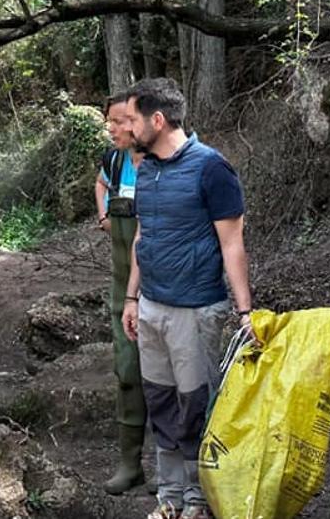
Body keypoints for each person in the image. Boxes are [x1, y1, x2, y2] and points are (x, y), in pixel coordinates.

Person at [120, 79, 256, 519]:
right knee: (160, 401)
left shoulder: (211, 168)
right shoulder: (146, 169)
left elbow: (233, 244)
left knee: (195, 405)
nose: (128, 127)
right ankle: (169, 499)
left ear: (157, 120)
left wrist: (245, 312)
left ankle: (198, 501)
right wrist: (131, 297)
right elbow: (144, 236)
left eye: (134, 119)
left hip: (196, 309)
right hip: (153, 306)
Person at [94, 92, 151, 494]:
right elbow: (99, 184)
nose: (111, 129)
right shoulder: (113, 161)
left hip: (163, 291)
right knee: (128, 375)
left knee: (170, 383)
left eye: (118, 121)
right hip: (121, 290)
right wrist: (102, 214)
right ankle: (130, 464)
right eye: (109, 122)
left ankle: (173, 468)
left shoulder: (163, 164)